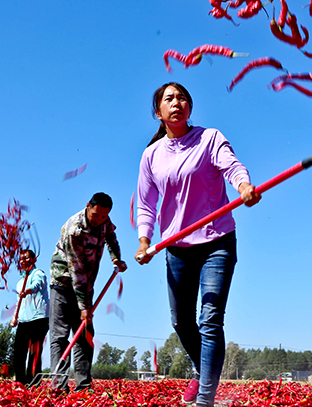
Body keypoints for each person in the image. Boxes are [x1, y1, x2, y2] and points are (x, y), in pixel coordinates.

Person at [135, 82, 260, 407]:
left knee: (210, 319)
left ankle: (205, 398)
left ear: (190, 106)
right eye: (169, 98)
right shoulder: (151, 155)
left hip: (216, 241)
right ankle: (203, 371)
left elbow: (232, 166)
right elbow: (147, 205)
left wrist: (243, 185)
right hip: (176, 248)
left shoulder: (209, 138)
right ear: (158, 112)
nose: (177, 102)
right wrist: (144, 240)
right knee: (181, 321)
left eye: (182, 98)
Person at [48, 192, 128, 391]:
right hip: (63, 282)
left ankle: (83, 384)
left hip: (85, 285)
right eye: (96, 216)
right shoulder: (74, 230)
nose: (99, 220)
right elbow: (77, 271)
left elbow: (111, 236)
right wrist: (84, 307)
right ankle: (59, 384)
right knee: (60, 335)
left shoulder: (104, 220)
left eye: (104, 216)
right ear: (87, 206)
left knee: (85, 334)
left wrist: (116, 258)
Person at [10, 248, 50, 386]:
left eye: (27, 257)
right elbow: (19, 302)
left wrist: (28, 290)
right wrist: (15, 316)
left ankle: (33, 382)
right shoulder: (20, 282)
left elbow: (38, 284)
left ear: (34, 259)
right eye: (21, 258)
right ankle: (20, 382)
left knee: (34, 351)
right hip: (24, 319)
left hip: (39, 318)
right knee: (19, 352)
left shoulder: (39, 273)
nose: (23, 260)